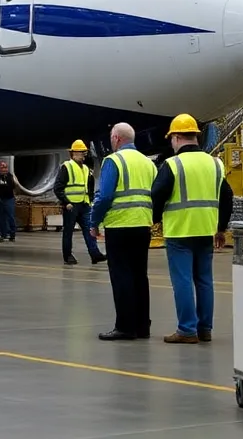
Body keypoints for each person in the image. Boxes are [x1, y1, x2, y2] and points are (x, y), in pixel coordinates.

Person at [151, 114, 234, 344]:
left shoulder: (173, 164)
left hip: (180, 231)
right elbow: (227, 196)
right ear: (196, 137)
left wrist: (155, 219)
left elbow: (157, 195)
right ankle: (205, 329)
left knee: (183, 280)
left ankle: (187, 330)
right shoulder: (215, 163)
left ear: (176, 138)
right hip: (206, 230)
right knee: (205, 280)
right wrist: (221, 228)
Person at [89, 123, 156, 341]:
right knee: (140, 276)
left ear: (116, 138)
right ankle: (142, 326)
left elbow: (105, 196)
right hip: (142, 225)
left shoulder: (113, 161)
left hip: (119, 226)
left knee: (121, 276)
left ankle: (125, 327)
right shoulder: (149, 164)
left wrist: (94, 221)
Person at [53, 140, 105, 266]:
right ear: (73, 153)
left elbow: (89, 187)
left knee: (89, 229)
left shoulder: (86, 169)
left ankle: (95, 254)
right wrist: (66, 202)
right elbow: (58, 187)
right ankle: (68, 256)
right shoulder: (67, 167)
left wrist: (90, 201)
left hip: (84, 204)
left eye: (84, 152)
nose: (83, 155)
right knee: (68, 231)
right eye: (81, 152)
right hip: (71, 205)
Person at [0, 160, 17, 242]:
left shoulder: (10, 176)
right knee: (1, 218)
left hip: (9, 199)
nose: (3, 170)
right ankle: (2, 234)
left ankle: (12, 234)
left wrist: (3, 185)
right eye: (2, 168)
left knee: (10, 217)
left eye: (5, 168)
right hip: (1, 199)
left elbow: (11, 186)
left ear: (7, 168)